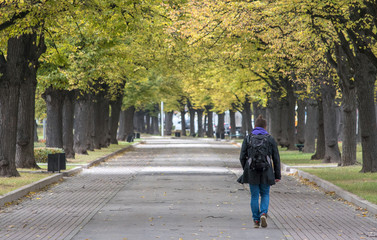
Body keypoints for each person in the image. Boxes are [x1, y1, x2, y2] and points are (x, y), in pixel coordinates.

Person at [238, 115, 281, 228]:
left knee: (254, 195)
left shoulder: (248, 138)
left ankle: (256, 220)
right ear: (265, 127)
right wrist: (277, 175)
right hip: (266, 171)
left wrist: (246, 169)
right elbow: (276, 158)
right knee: (265, 193)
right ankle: (263, 213)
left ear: (255, 126)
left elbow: (242, 156)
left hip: (252, 171)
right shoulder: (270, 139)